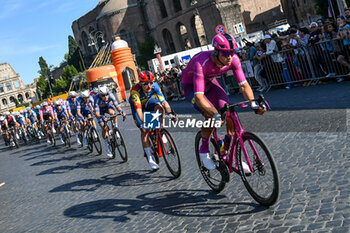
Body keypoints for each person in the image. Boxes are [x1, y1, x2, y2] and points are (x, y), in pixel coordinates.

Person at [181, 33, 266, 171]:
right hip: (192, 88)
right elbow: (199, 97)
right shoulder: (201, 62)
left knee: (228, 111)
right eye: (226, 53)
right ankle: (204, 149)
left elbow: (244, 85)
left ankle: (226, 149)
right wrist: (214, 114)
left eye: (232, 52)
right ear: (216, 52)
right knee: (210, 116)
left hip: (210, 83)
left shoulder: (234, 60)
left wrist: (253, 104)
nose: (230, 57)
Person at [129, 71, 177, 170]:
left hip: (148, 102)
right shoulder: (135, 91)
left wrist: (171, 114)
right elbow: (138, 111)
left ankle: (160, 130)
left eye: (151, 82)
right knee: (144, 130)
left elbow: (164, 102)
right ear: (140, 84)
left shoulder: (155, 86)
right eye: (146, 84)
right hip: (137, 106)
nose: (149, 86)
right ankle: (150, 158)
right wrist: (146, 123)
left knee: (160, 108)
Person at [94, 86, 126, 158]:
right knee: (104, 128)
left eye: (106, 94)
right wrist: (102, 117)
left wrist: (121, 111)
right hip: (99, 112)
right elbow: (97, 114)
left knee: (113, 113)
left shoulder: (111, 95)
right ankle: (107, 146)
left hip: (107, 107)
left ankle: (115, 128)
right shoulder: (96, 99)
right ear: (99, 95)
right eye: (103, 95)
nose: (105, 96)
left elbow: (117, 106)